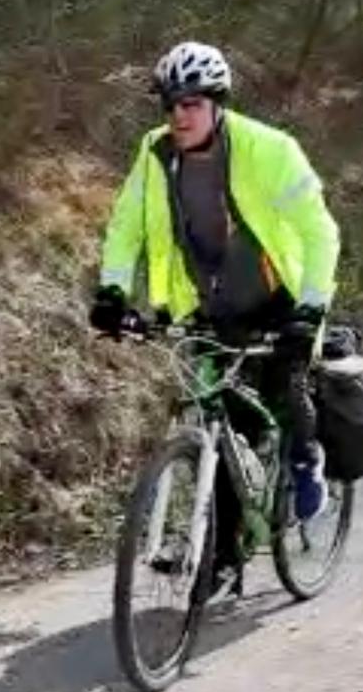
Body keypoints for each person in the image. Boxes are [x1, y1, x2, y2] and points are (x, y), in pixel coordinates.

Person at [89, 39, 340, 547]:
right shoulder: (155, 152)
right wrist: (113, 293)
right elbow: (125, 227)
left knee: (286, 391)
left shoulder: (270, 150)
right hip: (206, 306)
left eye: (192, 104)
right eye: (172, 104)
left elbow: (321, 233)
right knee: (221, 424)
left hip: (278, 298)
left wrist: (310, 310)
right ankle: (223, 552)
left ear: (217, 103)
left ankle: (305, 460)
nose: (180, 116)